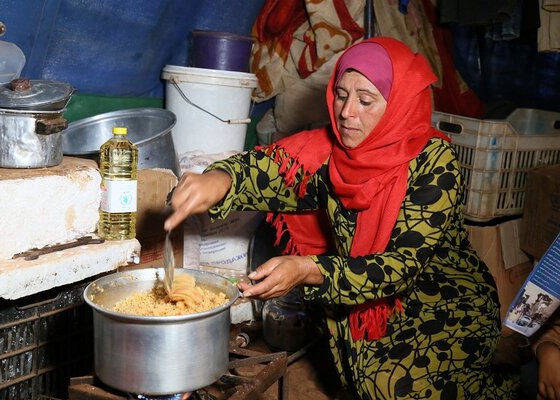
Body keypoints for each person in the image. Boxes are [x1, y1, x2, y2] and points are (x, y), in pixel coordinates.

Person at [165, 36, 519, 399]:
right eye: (341, 94)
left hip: (441, 301)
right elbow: (269, 169)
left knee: (393, 387)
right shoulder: (327, 153)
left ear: (398, 103)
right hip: (358, 290)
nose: (347, 111)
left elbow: (399, 266)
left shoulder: (433, 162)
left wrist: (306, 270)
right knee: (362, 380)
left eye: (366, 100)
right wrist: (219, 179)